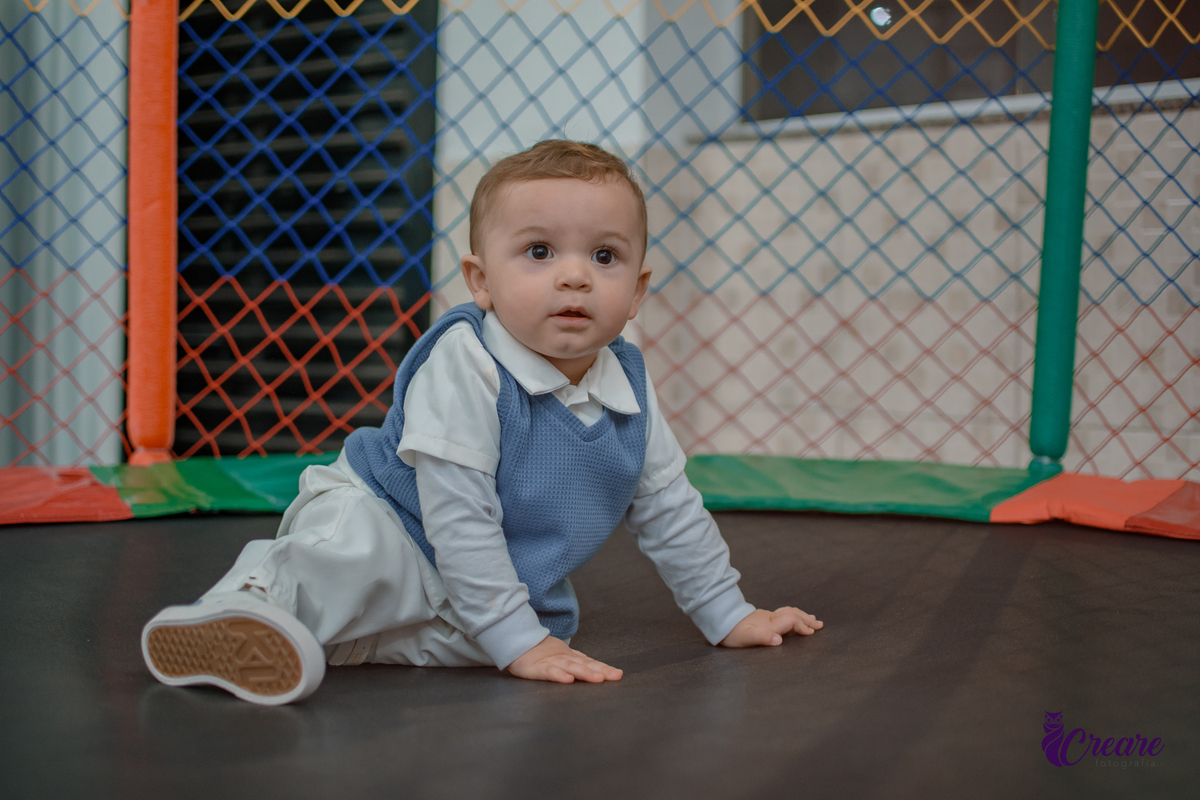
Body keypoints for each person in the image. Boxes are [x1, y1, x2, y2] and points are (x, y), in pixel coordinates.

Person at [141, 140, 823, 705]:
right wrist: (516, 639)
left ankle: (324, 641)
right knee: (353, 556)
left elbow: (672, 510)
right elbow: (457, 516)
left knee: (521, 631)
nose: (576, 278)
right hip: (394, 517)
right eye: (539, 252)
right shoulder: (466, 362)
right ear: (480, 280)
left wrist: (727, 614)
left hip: (485, 580)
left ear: (638, 291)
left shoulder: (630, 388)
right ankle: (249, 602)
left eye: (605, 257)